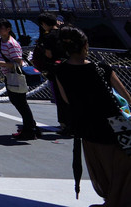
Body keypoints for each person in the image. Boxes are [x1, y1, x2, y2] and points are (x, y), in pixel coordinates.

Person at [54, 25, 131, 205]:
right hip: (115, 126)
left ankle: (109, 200)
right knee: (123, 167)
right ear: (85, 45)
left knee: (101, 168)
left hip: (87, 127)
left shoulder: (61, 71)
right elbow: (126, 96)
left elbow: (66, 100)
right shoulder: (102, 68)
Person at [0, 18, 38, 140]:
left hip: (15, 76)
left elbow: (18, 63)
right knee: (16, 101)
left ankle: (30, 129)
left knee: (21, 103)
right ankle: (30, 126)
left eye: (0, 28)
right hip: (8, 75)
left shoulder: (12, 44)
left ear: (8, 29)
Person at [31, 12, 70, 135]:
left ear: (43, 24)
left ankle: (65, 125)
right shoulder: (64, 32)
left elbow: (48, 54)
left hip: (55, 70)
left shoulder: (48, 37)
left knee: (60, 97)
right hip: (69, 66)